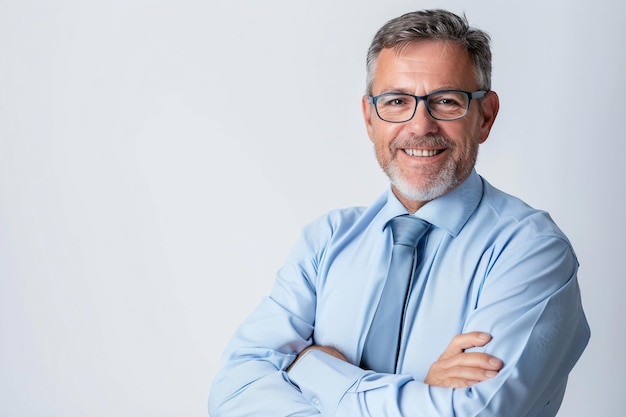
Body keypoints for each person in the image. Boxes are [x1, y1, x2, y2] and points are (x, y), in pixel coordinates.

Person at [208, 9, 590, 417]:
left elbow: (474, 413)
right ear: (370, 118)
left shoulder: (530, 251)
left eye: (446, 101)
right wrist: (424, 390)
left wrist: (314, 368)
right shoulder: (326, 241)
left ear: (486, 116)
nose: (420, 125)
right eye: (396, 101)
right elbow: (233, 394)